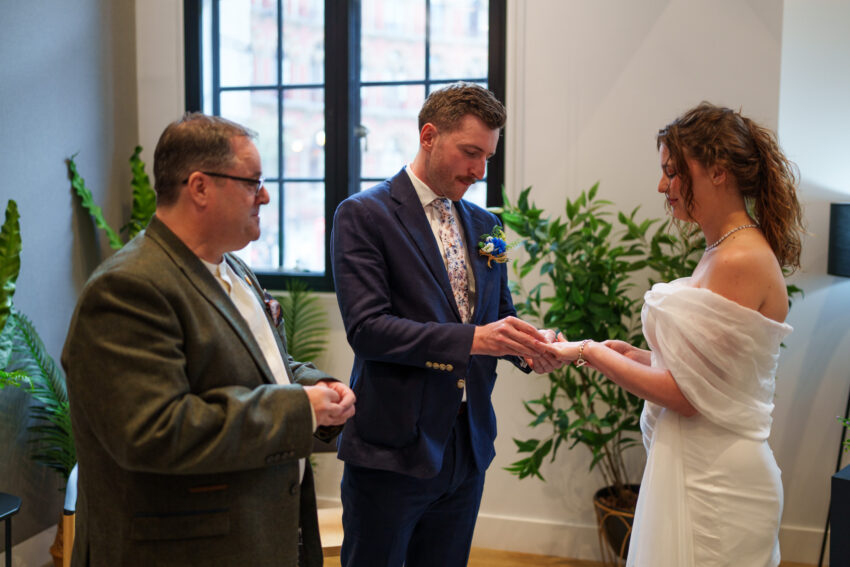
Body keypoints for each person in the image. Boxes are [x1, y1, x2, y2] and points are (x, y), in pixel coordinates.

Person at [62, 113, 355, 567]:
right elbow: (155, 431)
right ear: (199, 187)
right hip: (187, 548)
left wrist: (319, 388)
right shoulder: (128, 289)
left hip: (258, 532)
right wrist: (300, 408)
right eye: (252, 182)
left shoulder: (230, 266)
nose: (265, 195)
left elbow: (262, 362)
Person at [543, 102, 805, 566]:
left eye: (673, 172)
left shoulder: (738, 259)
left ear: (718, 171)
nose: (662, 186)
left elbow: (684, 395)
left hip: (716, 481)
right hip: (696, 469)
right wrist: (631, 354)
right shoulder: (720, 249)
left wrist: (586, 352)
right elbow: (707, 378)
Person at [330, 82, 555, 567]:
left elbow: (498, 318)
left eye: (487, 158)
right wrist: (474, 340)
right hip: (393, 447)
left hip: (467, 447)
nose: (479, 170)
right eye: (470, 152)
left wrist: (531, 347)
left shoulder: (484, 225)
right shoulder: (363, 215)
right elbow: (368, 329)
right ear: (429, 136)